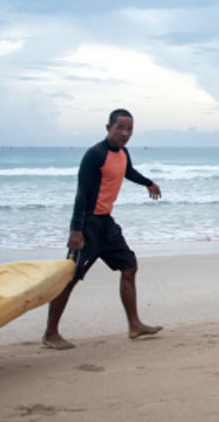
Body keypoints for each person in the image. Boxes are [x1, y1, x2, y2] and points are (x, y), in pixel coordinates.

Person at [43, 108, 164, 350]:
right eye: (120, 127)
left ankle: (134, 325)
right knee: (69, 278)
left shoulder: (123, 153)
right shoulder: (94, 155)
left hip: (106, 223)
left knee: (129, 266)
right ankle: (50, 333)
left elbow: (127, 172)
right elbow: (82, 193)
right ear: (108, 128)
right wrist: (75, 230)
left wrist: (148, 183)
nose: (125, 133)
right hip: (88, 225)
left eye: (129, 129)